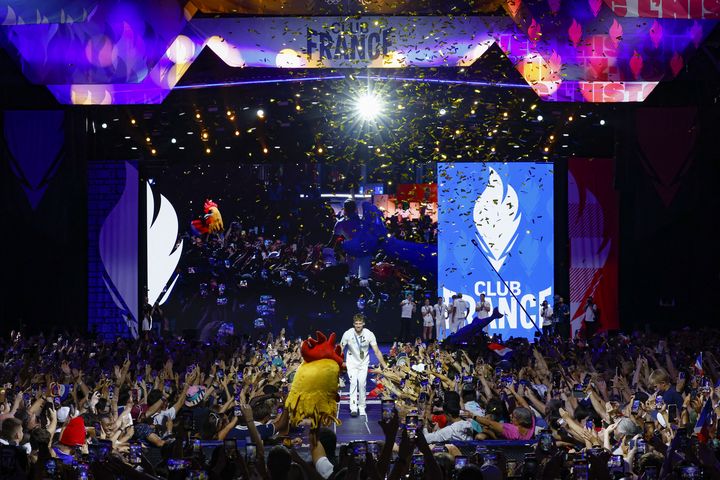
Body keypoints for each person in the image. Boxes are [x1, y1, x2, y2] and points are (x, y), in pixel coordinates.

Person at [340, 314, 387, 417]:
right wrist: (338, 363)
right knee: (353, 383)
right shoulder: (347, 334)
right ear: (353, 324)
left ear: (363, 324)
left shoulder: (369, 334)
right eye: (356, 324)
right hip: (351, 362)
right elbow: (340, 349)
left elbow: (377, 351)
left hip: (363, 363)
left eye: (360, 324)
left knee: (362, 384)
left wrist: (384, 365)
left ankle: (362, 407)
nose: (358, 326)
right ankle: (353, 408)